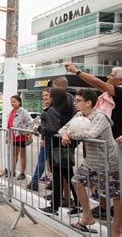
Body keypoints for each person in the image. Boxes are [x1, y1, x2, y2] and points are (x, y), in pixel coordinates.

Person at [65, 63, 122, 220]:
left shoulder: (117, 92)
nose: (108, 77)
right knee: (102, 185)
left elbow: (98, 83)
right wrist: (66, 133)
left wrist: (77, 71)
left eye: (111, 75)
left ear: (120, 80)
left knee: (116, 192)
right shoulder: (103, 99)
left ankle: (116, 229)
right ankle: (102, 209)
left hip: (114, 149)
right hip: (100, 148)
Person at [59, 89, 120, 235]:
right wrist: (66, 133)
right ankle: (87, 217)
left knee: (116, 197)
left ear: (88, 103)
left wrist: (70, 134)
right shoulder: (79, 115)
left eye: (78, 101)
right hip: (91, 161)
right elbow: (62, 129)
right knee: (76, 181)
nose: (75, 103)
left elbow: (91, 133)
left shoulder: (100, 117)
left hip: (109, 162)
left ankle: (116, 230)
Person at [37, 88, 78, 216]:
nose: (47, 97)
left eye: (50, 95)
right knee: (69, 177)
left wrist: (39, 128)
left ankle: (54, 207)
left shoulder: (52, 111)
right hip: (66, 148)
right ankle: (78, 204)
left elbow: (52, 130)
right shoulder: (68, 110)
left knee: (58, 178)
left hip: (55, 148)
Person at [27, 88, 51, 191]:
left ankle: (35, 182)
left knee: (42, 160)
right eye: (43, 95)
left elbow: (47, 125)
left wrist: (43, 138)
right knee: (48, 161)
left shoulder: (51, 109)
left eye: (47, 95)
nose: (45, 97)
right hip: (48, 137)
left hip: (47, 138)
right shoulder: (47, 107)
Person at [7, 95, 33, 180]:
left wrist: (29, 133)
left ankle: (22, 173)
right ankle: (13, 171)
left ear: (19, 102)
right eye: (11, 102)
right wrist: (7, 136)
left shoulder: (23, 111)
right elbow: (9, 125)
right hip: (13, 135)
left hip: (21, 136)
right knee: (14, 154)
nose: (12, 103)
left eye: (14, 101)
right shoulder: (12, 111)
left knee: (22, 155)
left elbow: (30, 122)